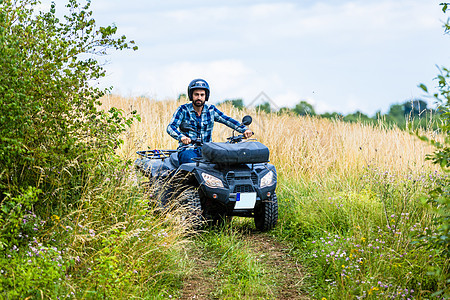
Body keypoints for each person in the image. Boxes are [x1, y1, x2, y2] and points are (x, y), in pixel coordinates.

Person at [167, 78, 253, 164]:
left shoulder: (211, 110)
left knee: (229, 162)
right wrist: (181, 137)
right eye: (196, 94)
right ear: (191, 95)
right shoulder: (183, 110)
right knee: (190, 163)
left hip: (208, 149)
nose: (199, 98)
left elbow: (227, 120)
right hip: (188, 149)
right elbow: (171, 127)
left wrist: (244, 129)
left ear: (206, 96)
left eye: (202, 95)